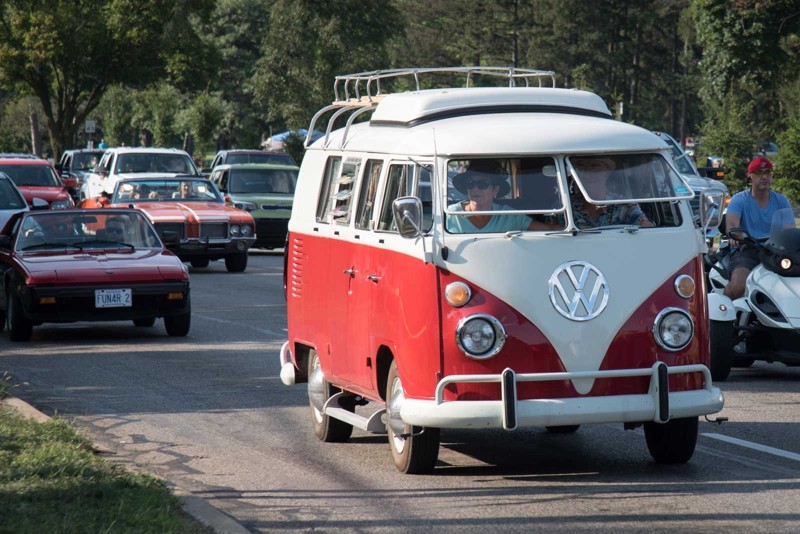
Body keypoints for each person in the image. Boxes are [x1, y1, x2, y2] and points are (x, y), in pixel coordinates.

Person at [724, 156, 791, 299]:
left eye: (768, 172)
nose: (764, 176)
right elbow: (731, 224)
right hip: (747, 250)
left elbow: (789, 230)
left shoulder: (781, 200)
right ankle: (723, 316)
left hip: (775, 252)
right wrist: (734, 236)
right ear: (750, 177)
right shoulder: (739, 199)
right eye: (759, 173)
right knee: (738, 286)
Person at [446, 161, 554, 233]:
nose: (475, 188)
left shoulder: (508, 216)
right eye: (470, 183)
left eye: (482, 184)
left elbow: (547, 230)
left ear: (495, 190)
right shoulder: (451, 214)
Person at [569, 156, 654, 229]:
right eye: (582, 169)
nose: (587, 175)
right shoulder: (568, 206)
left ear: (606, 173)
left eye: (595, 168)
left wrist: (644, 224)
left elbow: (644, 225)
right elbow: (557, 228)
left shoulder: (624, 204)